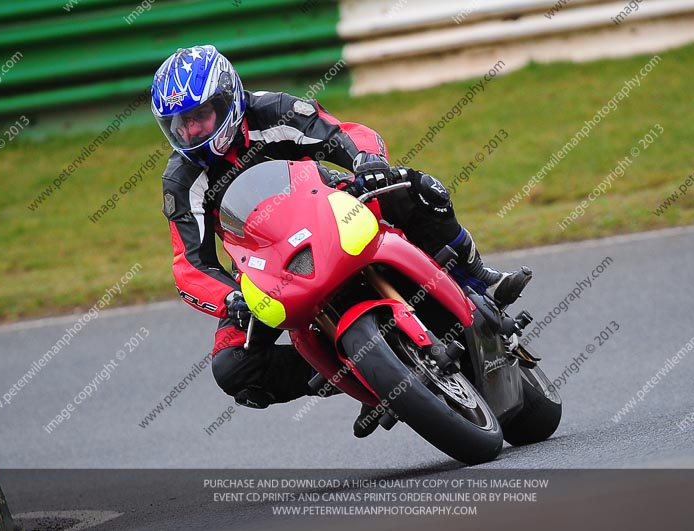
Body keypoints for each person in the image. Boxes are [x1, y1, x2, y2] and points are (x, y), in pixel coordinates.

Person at [151, 45, 532, 437]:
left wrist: (367, 162)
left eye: (199, 116)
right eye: (179, 124)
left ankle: (478, 277)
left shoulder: (274, 111)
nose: (191, 131)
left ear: (228, 98)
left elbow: (345, 134)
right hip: (265, 265)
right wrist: (230, 296)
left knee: (415, 188)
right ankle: (357, 375)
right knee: (233, 365)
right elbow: (190, 264)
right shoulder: (181, 182)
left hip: (328, 208)